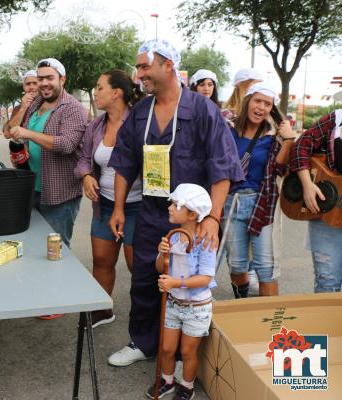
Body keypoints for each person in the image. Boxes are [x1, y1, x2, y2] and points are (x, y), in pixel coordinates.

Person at [106, 39, 244, 367]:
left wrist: (212, 217)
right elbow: (125, 162)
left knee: (191, 283)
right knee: (144, 277)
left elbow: (221, 166)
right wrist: (119, 207)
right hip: (154, 213)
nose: (138, 75)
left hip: (193, 219)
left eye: (143, 67)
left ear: (168, 65)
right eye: (137, 68)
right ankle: (144, 342)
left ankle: (186, 351)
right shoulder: (140, 113)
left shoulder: (201, 109)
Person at [8, 58, 87, 320]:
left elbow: (66, 144)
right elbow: (11, 132)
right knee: (33, 244)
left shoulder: (72, 108)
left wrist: (28, 135)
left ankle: (56, 301)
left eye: (49, 78)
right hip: (32, 187)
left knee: (56, 246)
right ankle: (39, 294)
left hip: (60, 191)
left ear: (62, 80)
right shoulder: (36, 106)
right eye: (40, 78)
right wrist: (25, 108)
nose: (43, 83)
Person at [74, 70, 141, 328]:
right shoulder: (96, 125)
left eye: (100, 87)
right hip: (104, 206)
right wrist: (86, 175)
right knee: (102, 259)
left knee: (138, 265)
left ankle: (143, 316)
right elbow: (82, 158)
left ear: (117, 93)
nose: (95, 91)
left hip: (138, 206)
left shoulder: (137, 123)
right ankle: (102, 309)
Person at [223, 82, 296, 298]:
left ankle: (269, 321)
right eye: (258, 101)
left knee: (266, 268)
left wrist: (289, 140)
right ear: (248, 101)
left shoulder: (272, 136)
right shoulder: (228, 130)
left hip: (262, 202)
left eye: (267, 104)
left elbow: (280, 168)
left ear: (271, 108)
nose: (261, 107)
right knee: (236, 265)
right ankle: (243, 304)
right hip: (231, 203)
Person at [147, 183, 216, 400]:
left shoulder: (205, 242)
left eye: (176, 204)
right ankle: (167, 381)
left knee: (188, 352)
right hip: (174, 303)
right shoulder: (173, 236)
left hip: (197, 307)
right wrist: (161, 254)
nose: (170, 206)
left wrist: (175, 283)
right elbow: (160, 268)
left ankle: (187, 387)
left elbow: (206, 278)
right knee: (167, 348)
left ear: (193, 214)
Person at [289, 109, 342, 292]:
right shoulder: (337, 118)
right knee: (327, 281)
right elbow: (301, 146)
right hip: (329, 211)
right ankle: (325, 321)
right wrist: (307, 185)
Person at [4, 70, 39, 168]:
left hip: (42, 161)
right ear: (24, 87)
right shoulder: (18, 108)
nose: (31, 87)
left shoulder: (46, 106)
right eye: (28, 84)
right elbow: (7, 134)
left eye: (35, 83)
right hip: (23, 162)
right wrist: (23, 108)